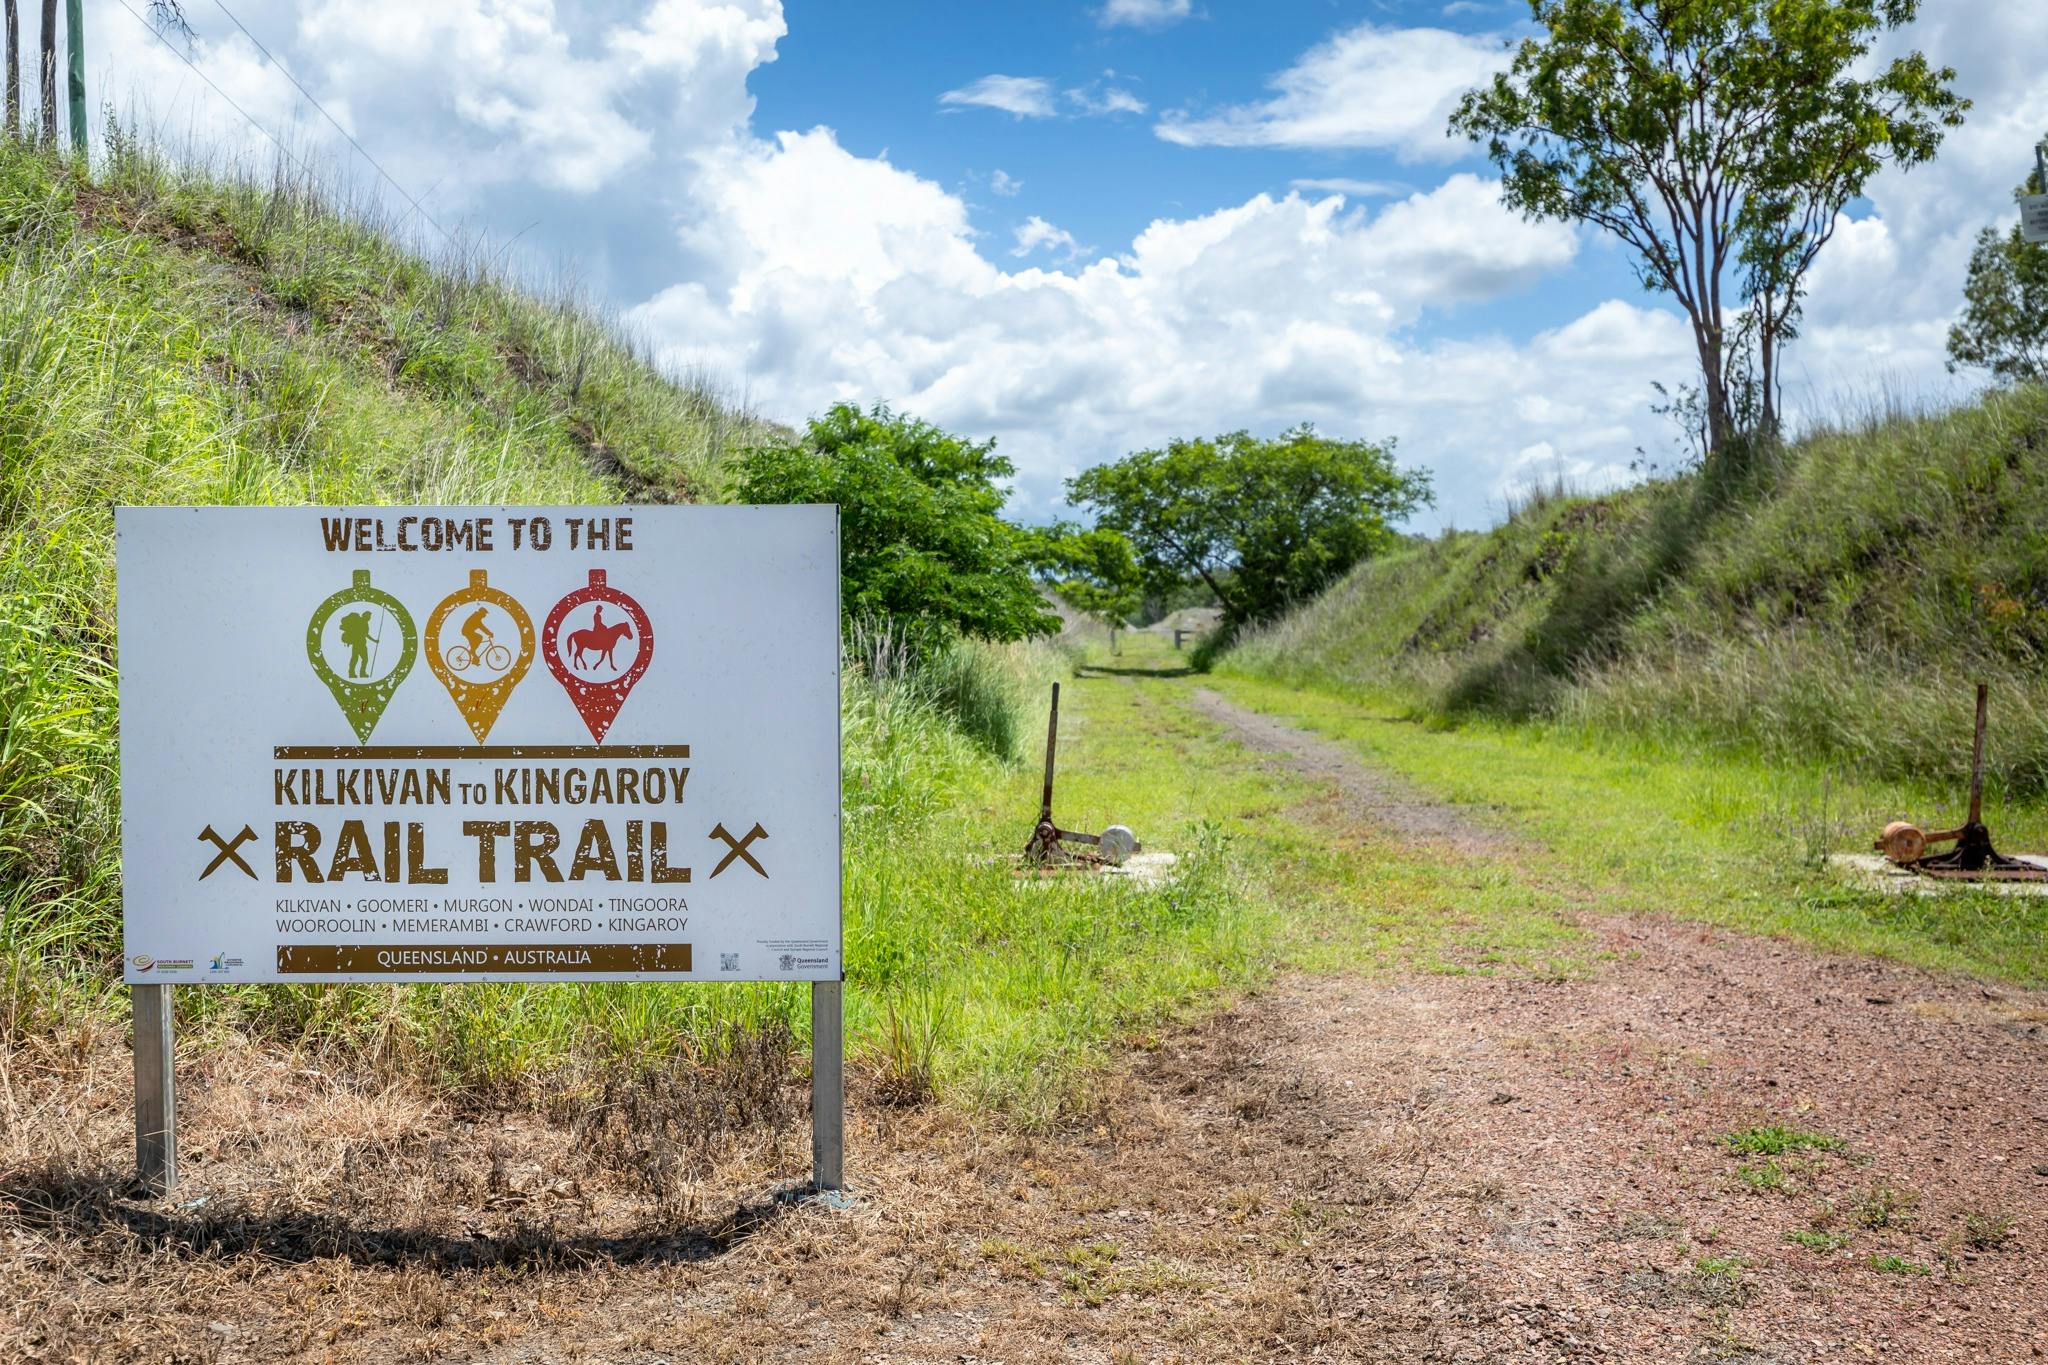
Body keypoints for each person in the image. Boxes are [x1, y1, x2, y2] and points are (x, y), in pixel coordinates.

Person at [338, 610, 376, 679]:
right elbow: (359, 632)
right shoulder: (360, 621)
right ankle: (353, 673)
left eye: (370, 616)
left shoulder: (365, 623)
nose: (370, 618)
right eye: (369, 616)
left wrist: (374, 641)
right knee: (355, 659)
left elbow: (366, 634)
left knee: (364, 659)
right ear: (365, 616)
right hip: (357, 643)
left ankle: (361, 673)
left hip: (362, 644)